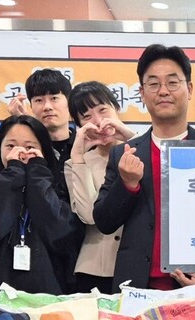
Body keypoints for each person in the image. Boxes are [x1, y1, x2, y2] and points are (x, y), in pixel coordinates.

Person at [93, 44, 195, 291]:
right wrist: (127, 184)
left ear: (189, 89)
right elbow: (104, 222)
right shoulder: (124, 152)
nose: (163, 91)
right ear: (142, 93)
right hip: (137, 287)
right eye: (153, 84)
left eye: (172, 83)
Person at [0, 115, 83, 300]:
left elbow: (60, 235)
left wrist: (38, 175)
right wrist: (13, 173)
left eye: (30, 147)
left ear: (43, 151)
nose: (20, 152)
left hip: (48, 298)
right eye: (10, 146)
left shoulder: (59, 191)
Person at [64, 81, 136, 294]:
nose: (98, 121)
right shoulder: (76, 164)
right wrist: (78, 158)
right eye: (86, 117)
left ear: (117, 109)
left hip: (139, 264)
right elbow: (89, 215)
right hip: (95, 269)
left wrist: (131, 138)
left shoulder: (140, 149)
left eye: (103, 110)